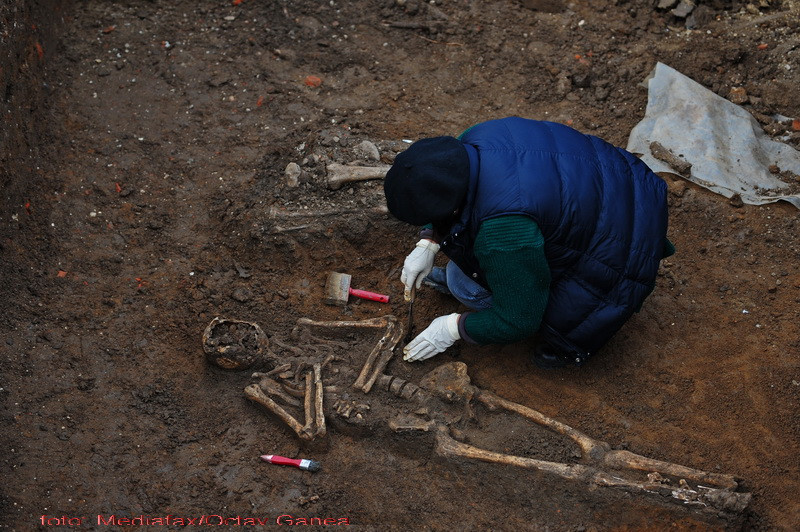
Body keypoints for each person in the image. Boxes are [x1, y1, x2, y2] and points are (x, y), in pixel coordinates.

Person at [383, 116, 674, 368]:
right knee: (474, 249)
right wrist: (428, 241)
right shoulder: (474, 139)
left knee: (464, 283)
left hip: (621, 253)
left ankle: (566, 345)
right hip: (628, 186)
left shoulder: (504, 230)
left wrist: (452, 328)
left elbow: (519, 320)